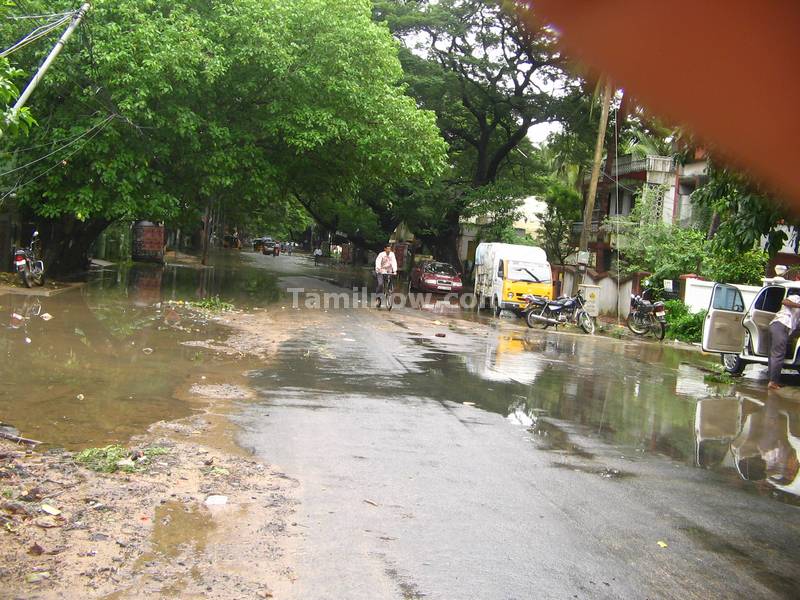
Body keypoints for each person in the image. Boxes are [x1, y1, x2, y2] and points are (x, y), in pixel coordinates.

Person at [767, 289, 800, 390]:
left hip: (784, 328)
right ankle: (773, 382)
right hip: (780, 325)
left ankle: (772, 380)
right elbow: (784, 301)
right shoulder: (797, 298)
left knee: (774, 354)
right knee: (778, 354)